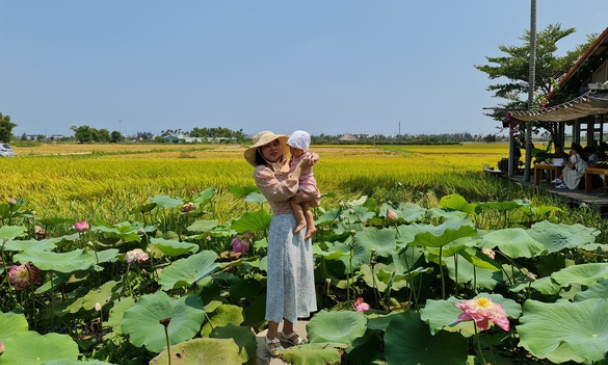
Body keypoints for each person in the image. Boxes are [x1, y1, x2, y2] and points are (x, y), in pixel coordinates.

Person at [243, 131, 318, 357]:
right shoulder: (262, 172)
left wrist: (305, 169)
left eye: (276, 144)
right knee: (282, 278)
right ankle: (272, 335)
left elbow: (313, 195)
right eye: (267, 146)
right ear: (260, 152)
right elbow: (283, 193)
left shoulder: (291, 163)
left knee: (299, 276)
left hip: (301, 226)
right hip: (283, 227)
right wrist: (299, 169)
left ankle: (288, 330)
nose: (274, 148)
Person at [286, 130, 321, 240]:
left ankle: (302, 222)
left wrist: (314, 157)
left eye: (295, 148)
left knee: (293, 201)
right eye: (291, 148)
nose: (292, 151)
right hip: (308, 189)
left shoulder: (306, 157)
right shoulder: (295, 158)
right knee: (305, 208)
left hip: (306, 187)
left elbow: (315, 154)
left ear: (304, 148)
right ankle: (311, 227)